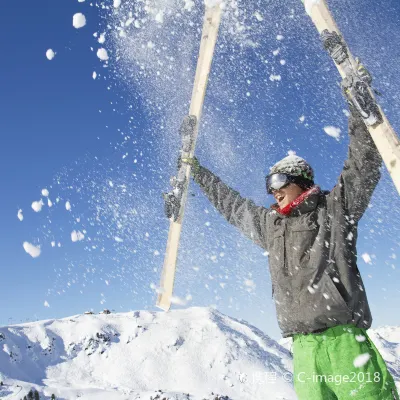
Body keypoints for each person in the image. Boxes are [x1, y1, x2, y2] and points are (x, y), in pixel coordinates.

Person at [180, 112, 399, 400]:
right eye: (270, 186)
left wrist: (359, 108)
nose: (274, 191)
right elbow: (233, 206)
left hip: (343, 341)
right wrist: (197, 172)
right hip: (303, 349)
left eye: (279, 181)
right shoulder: (271, 226)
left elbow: (363, 164)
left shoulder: (333, 210)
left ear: (301, 180)